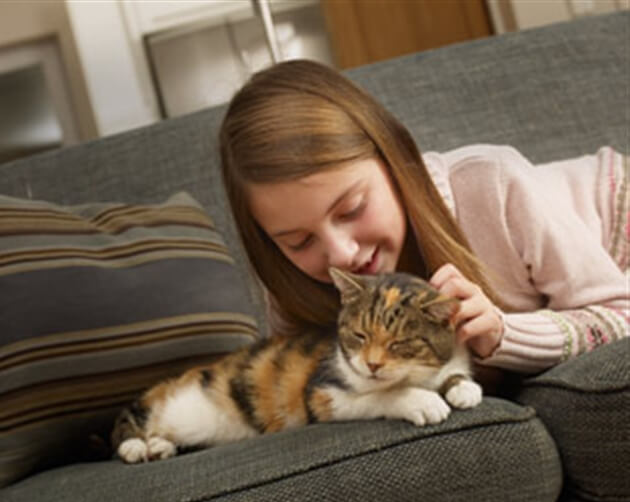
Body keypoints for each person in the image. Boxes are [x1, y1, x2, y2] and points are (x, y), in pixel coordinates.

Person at [218, 59, 628, 376]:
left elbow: (619, 316)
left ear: (393, 159)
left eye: (352, 209)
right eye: (299, 241)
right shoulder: (293, 286)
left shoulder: (492, 182)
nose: (341, 254)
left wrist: (503, 334)